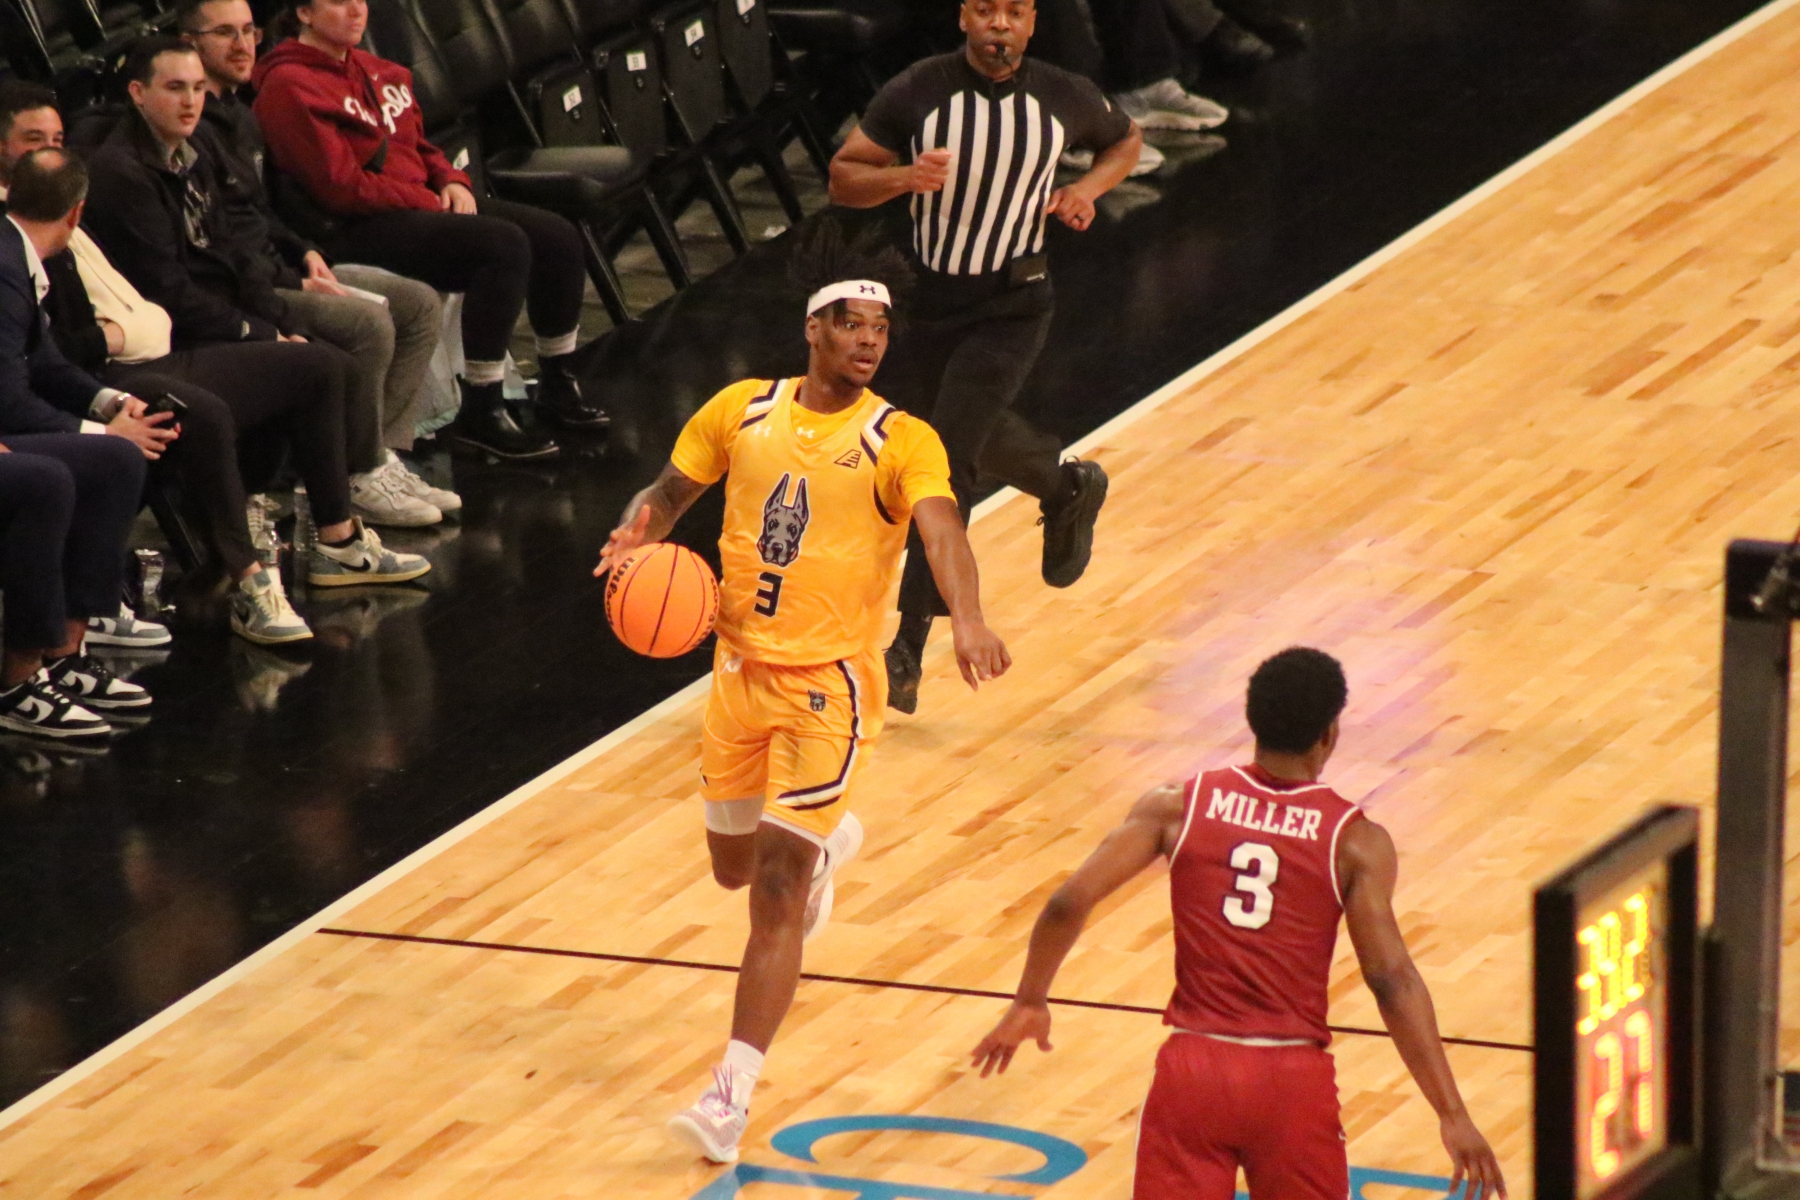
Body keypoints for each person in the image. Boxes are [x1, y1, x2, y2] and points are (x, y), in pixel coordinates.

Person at [592, 223, 1011, 1165]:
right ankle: (830, 847)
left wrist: (969, 615)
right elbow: (669, 491)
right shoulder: (741, 410)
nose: (869, 341)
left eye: (881, 329)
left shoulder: (901, 440)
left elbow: (943, 530)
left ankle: (729, 1095)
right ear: (813, 327)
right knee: (732, 869)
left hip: (831, 687)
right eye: (852, 324)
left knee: (775, 887)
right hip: (737, 671)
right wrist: (636, 535)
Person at [970, 647, 1508, 1200]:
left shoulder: (1175, 807)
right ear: (1329, 734)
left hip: (1192, 1071)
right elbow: (1390, 979)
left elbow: (1066, 903)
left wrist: (1030, 1000)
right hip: (1290, 1079)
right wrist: (1452, 1113)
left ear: (1253, 721)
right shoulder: (1354, 842)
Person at [830, 0, 1139, 714]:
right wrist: (904, 178)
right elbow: (844, 176)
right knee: (957, 430)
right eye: (986, 9)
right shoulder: (918, 88)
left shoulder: (1063, 94)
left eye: (1015, 12)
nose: (1001, 24)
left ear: (1031, 24)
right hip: (926, 303)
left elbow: (1126, 140)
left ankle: (907, 645)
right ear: (963, 18)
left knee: (942, 459)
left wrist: (1086, 189)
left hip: (1012, 305)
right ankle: (1065, 488)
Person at [84, 36, 448, 528]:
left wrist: (279, 320)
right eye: (174, 88)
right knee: (327, 360)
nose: (190, 101)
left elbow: (235, 249)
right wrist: (259, 331)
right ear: (137, 92)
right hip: (174, 333)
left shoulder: (195, 145)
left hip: (227, 301)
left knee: (335, 346)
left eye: (196, 88)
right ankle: (343, 510)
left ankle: (367, 472)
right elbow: (170, 292)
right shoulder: (120, 173)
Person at [252, 0, 608, 459]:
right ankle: (482, 408)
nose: (356, 10)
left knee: (556, 237)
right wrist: (424, 199)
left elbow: (418, 145)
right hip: (350, 226)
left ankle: (558, 381)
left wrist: (451, 180)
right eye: (339, 1)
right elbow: (339, 187)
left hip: (412, 203)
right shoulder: (287, 85)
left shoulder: (377, 70)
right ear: (304, 13)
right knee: (502, 246)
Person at [178, 0, 460, 522]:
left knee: (417, 304)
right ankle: (356, 472)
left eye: (248, 31)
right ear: (189, 43)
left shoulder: (241, 115)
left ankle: (381, 459)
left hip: (283, 265)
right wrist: (294, 280)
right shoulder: (191, 129)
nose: (242, 46)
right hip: (248, 286)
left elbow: (264, 210)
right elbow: (220, 244)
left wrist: (304, 251)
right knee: (367, 322)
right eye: (224, 33)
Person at [0, 80, 171, 651]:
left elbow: (45, 361)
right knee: (109, 459)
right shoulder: (5, 269)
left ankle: (75, 637)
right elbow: (9, 400)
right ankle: (51, 653)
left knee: (121, 453)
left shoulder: (15, 251)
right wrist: (103, 433)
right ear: (77, 214)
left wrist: (111, 403)